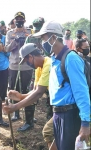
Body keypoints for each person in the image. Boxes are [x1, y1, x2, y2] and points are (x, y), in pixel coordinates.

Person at [33, 20, 90, 150]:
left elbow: (81, 91)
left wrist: (85, 123)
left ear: (53, 38)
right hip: (58, 115)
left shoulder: (70, 58)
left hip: (70, 115)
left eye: (43, 38)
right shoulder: (54, 60)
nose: (42, 43)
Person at [5, 11, 33, 131]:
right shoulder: (9, 33)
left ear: (24, 21)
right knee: (13, 90)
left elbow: (34, 48)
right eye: (17, 19)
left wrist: (25, 41)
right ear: (14, 21)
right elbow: (6, 49)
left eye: (21, 19)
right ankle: (16, 112)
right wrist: (15, 41)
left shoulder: (30, 33)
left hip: (26, 66)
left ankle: (29, 120)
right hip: (14, 66)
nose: (19, 21)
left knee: (27, 92)